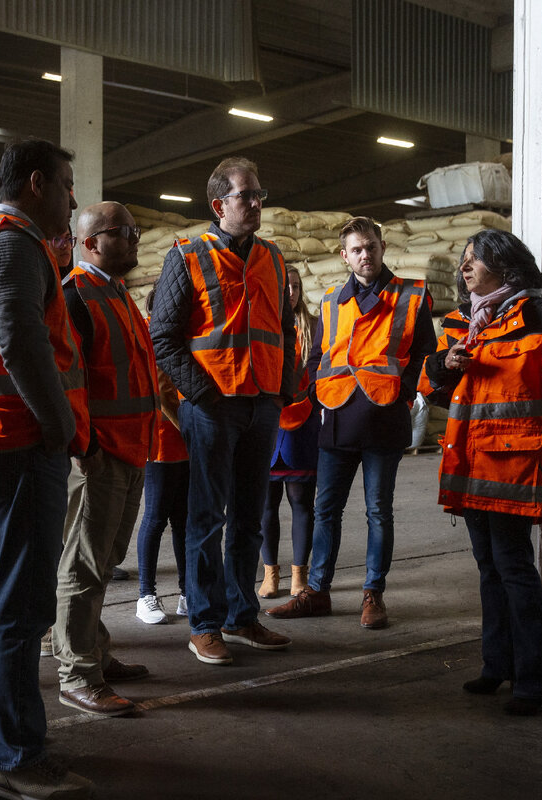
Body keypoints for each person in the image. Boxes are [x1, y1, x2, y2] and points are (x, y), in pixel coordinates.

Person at [0, 139, 94, 800]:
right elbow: (19, 337)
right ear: (36, 183)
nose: (73, 198)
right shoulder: (12, 244)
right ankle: (17, 758)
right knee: (22, 605)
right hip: (18, 443)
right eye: (66, 184)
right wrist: (58, 425)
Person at [418, 229, 542, 715]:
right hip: (468, 467)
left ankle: (538, 685)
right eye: (463, 260)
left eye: (475, 260)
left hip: (510, 468)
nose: (465, 268)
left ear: (506, 267)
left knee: (514, 571)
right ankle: (497, 665)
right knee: (489, 569)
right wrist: (443, 363)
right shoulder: (462, 322)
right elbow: (430, 387)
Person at [150, 155, 296, 666]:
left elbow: (283, 328)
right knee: (207, 518)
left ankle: (241, 615)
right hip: (213, 407)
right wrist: (202, 393)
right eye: (246, 196)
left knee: (251, 516)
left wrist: (285, 387)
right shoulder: (186, 255)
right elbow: (163, 338)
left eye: (259, 195)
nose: (256, 203)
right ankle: (205, 624)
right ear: (219, 204)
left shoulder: (273, 257)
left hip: (262, 403)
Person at [268, 216, 435, 629]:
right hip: (337, 416)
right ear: (345, 256)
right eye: (357, 250)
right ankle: (317, 591)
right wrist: (304, 399)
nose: (366, 255)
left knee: (378, 511)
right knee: (326, 509)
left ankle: (372, 594)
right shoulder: (329, 300)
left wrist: (404, 390)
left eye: (371, 247)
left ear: (382, 247)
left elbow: (424, 352)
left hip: (384, 416)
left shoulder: (412, 294)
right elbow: (319, 357)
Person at [51, 202, 157, 717]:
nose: (134, 239)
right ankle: (78, 673)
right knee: (84, 564)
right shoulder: (75, 296)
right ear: (89, 243)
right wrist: (85, 447)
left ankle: (94, 651)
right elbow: (66, 383)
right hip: (99, 454)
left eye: (136, 231)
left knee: (107, 557)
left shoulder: (115, 295)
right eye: (122, 232)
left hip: (131, 447)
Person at [258, 266, 320, 599]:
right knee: (267, 504)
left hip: (301, 424)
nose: (291, 293)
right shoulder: (262, 324)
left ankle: (299, 574)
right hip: (267, 423)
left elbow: (318, 373)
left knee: (300, 502)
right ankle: (270, 574)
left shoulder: (312, 326)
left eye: (295, 286)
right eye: (285, 287)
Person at [134, 285, 189, 625]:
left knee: (183, 520)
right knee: (156, 517)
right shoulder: (153, 336)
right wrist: (192, 426)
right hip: (162, 442)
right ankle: (146, 595)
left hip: (187, 441)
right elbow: (162, 390)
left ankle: (187, 593)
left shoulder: (185, 335)